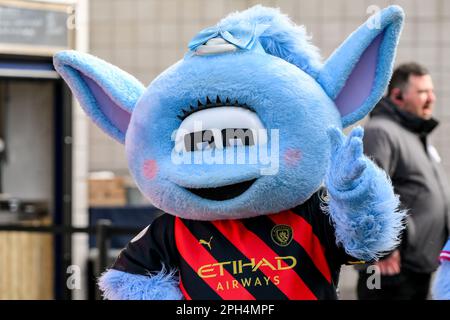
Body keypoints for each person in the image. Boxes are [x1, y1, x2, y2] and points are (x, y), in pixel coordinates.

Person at [357, 62, 450, 300]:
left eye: (431, 91)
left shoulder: (412, 133)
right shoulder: (381, 131)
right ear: (398, 96)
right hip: (390, 267)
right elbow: (368, 192)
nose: (431, 98)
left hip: (414, 266)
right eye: (422, 92)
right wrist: (385, 249)